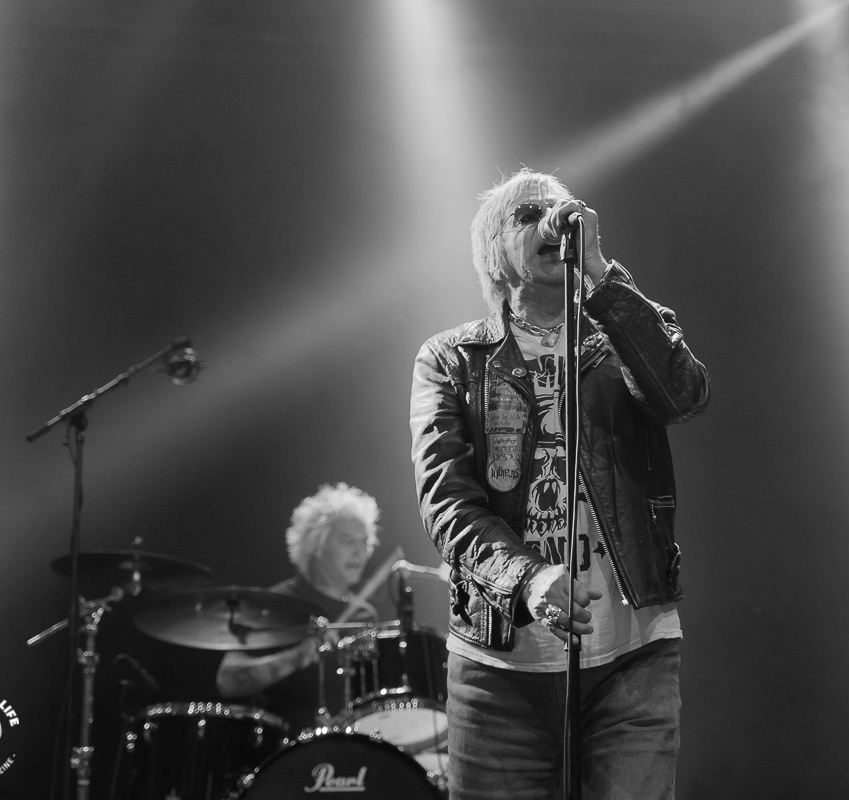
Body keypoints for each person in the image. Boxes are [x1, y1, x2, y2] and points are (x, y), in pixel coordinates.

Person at [409, 168, 709, 800]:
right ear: (493, 252)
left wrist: (599, 273)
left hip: (633, 658)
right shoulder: (453, 359)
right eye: (528, 215)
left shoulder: (622, 331)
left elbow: (682, 394)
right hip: (499, 671)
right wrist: (528, 578)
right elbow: (447, 502)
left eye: (561, 209)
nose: (552, 221)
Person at [215, 482, 383, 730]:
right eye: (348, 541)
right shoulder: (275, 606)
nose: (360, 553)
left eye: (365, 542)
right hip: (287, 743)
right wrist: (296, 657)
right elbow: (228, 681)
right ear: (317, 546)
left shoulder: (364, 615)